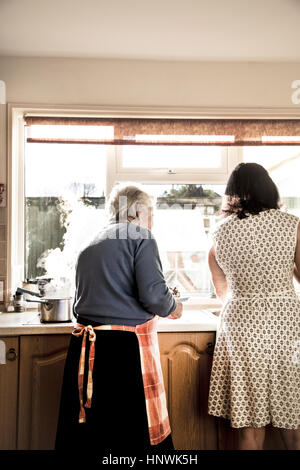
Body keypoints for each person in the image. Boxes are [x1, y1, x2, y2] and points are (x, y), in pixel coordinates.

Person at [55, 183, 183, 453]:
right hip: (123, 352)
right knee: (129, 438)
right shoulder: (142, 236)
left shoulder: (91, 242)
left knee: (95, 434)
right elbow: (154, 297)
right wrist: (174, 306)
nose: (152, 221)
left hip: (86, 347)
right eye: (151, 213)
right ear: (138, 211)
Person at [208, 162, 300, 450]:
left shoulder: (219, 233)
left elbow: (221, 288)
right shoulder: (292, 224)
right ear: (268, 187)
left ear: (231, 193)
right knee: (292, 415)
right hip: (285, 321)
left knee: (250, 421)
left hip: (241, 322)